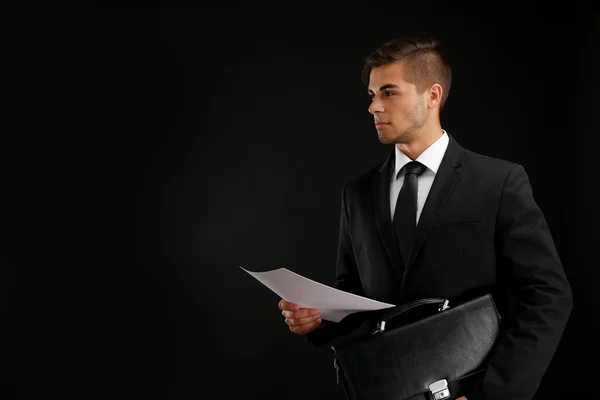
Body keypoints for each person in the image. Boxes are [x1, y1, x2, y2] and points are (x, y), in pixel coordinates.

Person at [277, 37, 572, 400]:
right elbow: (356, 293)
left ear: (432, 96)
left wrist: (492, 394)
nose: (374, 106)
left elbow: (548, 296)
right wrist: (317, 319)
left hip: (471, 388)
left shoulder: (499, 182)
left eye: (388, 93)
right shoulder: (357, 193)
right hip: (385, 387)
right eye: (371, 95)